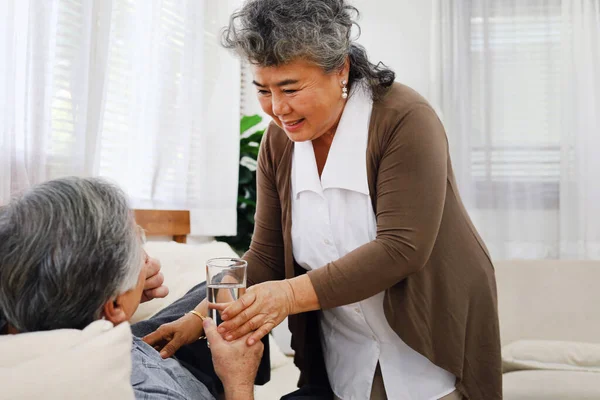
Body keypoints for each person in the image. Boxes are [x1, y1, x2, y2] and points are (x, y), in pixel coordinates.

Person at [145, 0, 502, 399]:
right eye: (264, 90)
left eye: (291, 88)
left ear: (341, 70)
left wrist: (288, 295)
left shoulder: (403, 118)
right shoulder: (278, 143)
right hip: (345, 352)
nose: (278, 109)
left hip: (429, 341)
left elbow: (402, 248)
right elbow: (264, 255)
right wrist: (200, 314)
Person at [0, 177, 264, 400]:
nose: (149, 260)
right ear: (113, 306)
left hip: (136, 338)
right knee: (242, 297)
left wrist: (129, 294)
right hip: (169, 369)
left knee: (222, 287)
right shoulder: (152, 392)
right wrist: (238, 382)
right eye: (139, 244)